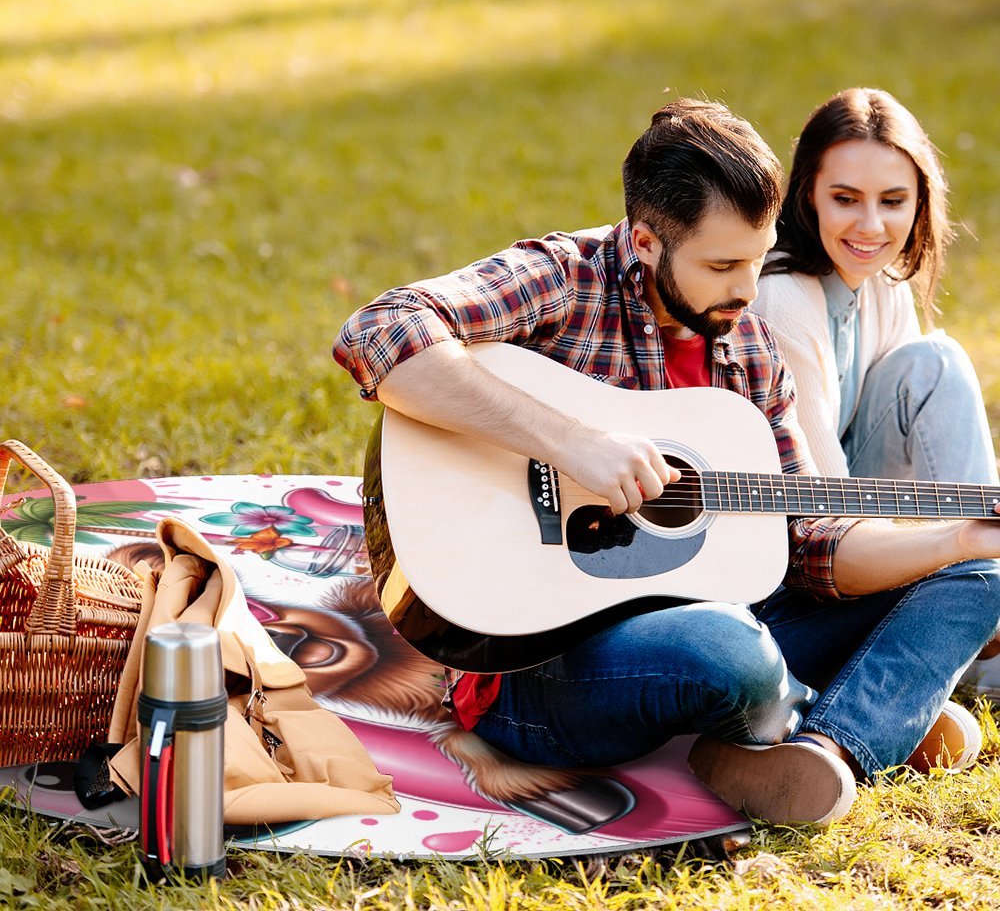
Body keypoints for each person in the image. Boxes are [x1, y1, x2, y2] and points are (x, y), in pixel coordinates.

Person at [333, 98, 1000, 827]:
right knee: (728, 652)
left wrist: (956, 539)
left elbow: (809, 540)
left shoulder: (748, 347)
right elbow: (380, 330)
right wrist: (569, 442)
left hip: (726, 620)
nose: (748, 291)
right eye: (722, 265)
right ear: (646, 241)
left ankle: (831, 747)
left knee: (980, 576)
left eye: (757, 257)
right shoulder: (564, 278)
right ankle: (859, 707)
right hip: (537, 666)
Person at [753, 87, 1000, 701]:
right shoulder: (783, 296)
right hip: (795, 558)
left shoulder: (882, 281)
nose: (871, 226)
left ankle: (979, 604)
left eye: (893, 201)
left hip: (860, 521)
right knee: (937, 362)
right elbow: (823, 513)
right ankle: (976, 628)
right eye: (845, 199)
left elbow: (921, 449)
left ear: (920, 203)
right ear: (807, 192)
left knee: (931, 362)